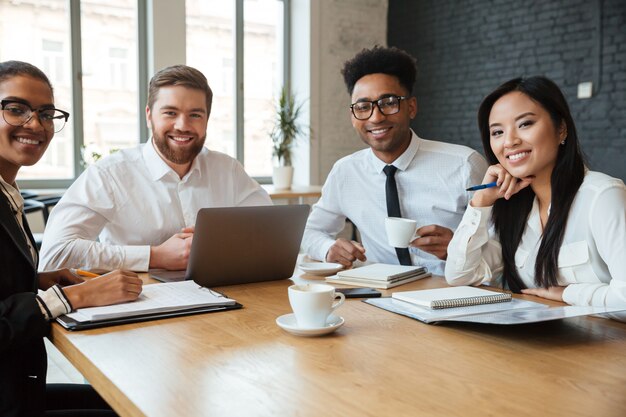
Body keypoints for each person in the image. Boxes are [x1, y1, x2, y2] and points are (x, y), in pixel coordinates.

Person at [0, 60, 142, 416]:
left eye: (46, 114)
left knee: (132, 400)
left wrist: (38, 281)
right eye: (16, 110)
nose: (36, 124)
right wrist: (72, 297)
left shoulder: (8, 191)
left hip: (17, 386)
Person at [40, 65, 271, 272]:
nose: (182, 125)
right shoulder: (109, 174)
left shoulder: (227, 169)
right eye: (170, 113)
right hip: (138, 302)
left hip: (224, 298)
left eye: (195, 115)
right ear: (149, 116)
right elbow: (54, 254)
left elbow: (272, 232)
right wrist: (154, 256)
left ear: (206, 119)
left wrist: (222, 242)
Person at [445, 76, 626, 311]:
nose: (510, 141)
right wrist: (480, 202)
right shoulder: (514, 208)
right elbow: (459, 275)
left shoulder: (603, 197)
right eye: (498, 132)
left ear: (561, 129)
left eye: (525, 124)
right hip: (537, 342)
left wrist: (569, 293)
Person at [302, 46, 487, 275]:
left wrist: (458, 249)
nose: (376, 117)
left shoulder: (464, 165)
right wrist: (328, 248)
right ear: (353, 117)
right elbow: (309, 232)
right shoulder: (346, 172)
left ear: (411, 107)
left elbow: (506, 247)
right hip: (378, 296)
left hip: (453, 293)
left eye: (388, 102)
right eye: (363, 107)